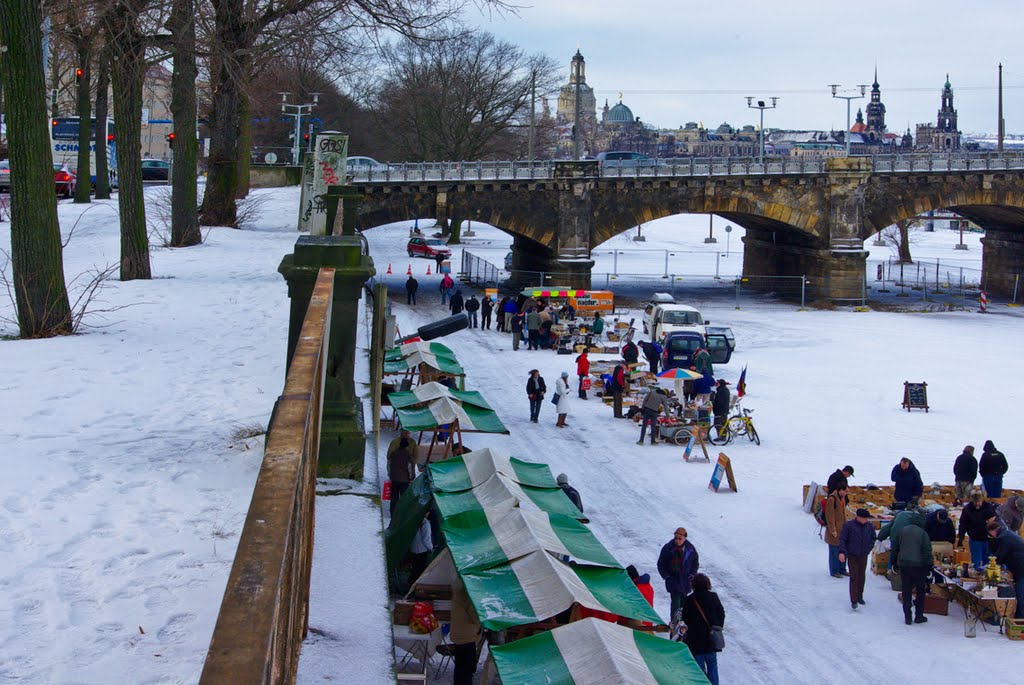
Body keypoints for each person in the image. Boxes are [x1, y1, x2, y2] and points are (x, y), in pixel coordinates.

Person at [680, 574, 724, 685]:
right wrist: (717, 627)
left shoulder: (690, 599)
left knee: (699, 671)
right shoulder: (714, 597)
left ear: (693, 585)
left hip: (695, 640)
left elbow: (685, 617)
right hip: (711, 639)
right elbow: (721, 614)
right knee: (713, 668)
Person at [892, 518, 933, 625]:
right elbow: (927, 551)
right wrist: (929, 566)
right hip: (919, 566)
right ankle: (919, 616)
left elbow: (895, 547)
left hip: (904, 565)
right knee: (920, 592)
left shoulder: (902, 531)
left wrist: (894, 562)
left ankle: (908, 617)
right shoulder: (923, 534)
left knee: (906, 591)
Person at [657, 527, 700, 622]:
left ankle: (682, 627)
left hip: (686, 582)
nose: (677, 540)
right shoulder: (668, 548)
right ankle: (674, 626)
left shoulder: (690, 549)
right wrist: (667, 576)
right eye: (676, 538)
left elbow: (695, 563)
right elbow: (661, 563)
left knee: (684, 606)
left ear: (685, 538)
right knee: (675, 606)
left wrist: (692, 575)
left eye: (680, 539)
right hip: (674, 582)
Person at [839, 508, 877, 609]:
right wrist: (842, 552)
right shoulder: (849, 525)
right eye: (864, 518)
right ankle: (854, 600)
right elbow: (843, 539)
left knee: (861, 576)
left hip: (863, 555)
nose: (866, 520)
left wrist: (869, 548)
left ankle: (860, 596)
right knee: (854, 577)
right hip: (852, 555)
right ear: (858, 517)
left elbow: (873, 537)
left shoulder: (869, 526)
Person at [987, 520, 1024, 618]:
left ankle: (1020, 620)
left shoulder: (1004, 538)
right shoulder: (1007, 534)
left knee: (1021, 595)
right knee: (1020, 594)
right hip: (1019, 568)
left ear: (992, 531)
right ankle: (1018, 618)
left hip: (1021, 569)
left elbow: (999, 557)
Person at [450, 576, 482, 685]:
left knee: (461, 670)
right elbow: (475, 616)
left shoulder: (461, 591)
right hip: (466, 637)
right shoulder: (468, 594)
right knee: (465, 671)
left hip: (460, 635)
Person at [958, 490, 998, 570]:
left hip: (988, 539)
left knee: (989, 562)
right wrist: (961, 537)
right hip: (975, 539)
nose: (977, 504)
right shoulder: (967, 509)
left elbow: (995, 522)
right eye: (975, 502)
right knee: (976, 563)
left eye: (979, 502)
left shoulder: (989, 507)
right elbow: (963, 524)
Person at [825, 486, 851, 577]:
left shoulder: (842, 498)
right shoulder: (832, 500)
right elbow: (829, 516)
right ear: (840, 490)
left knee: (843, 550)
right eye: (846, 491)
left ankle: (842, 569)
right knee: (834, 552)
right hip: (835, 531)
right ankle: (834, 571)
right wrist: (833, 530)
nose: (847, 493)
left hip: (842, 530)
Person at [387, 436, 415, 517]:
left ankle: (392, 514)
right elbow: (410, 469)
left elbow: (389, 465)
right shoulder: (408, 456)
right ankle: (401, 515)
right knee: (403, 499)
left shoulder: (393, 454)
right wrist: (411, 478)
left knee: (394, 498)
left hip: (394, 479)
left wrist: (390, 474)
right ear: (407, 446)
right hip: (404, 481)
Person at [407, 516, 433, 583]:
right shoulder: (425, 523)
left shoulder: (413, 519)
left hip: (412, 549)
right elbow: (426, 539)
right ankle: (414, 587)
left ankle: (410, 585)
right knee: (419, 571)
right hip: (421, 551)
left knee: (414, 569)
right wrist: (431, 548)